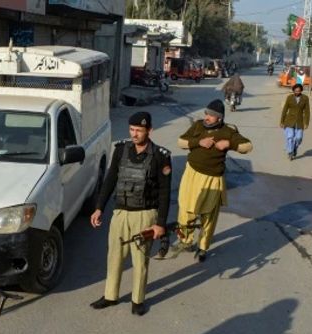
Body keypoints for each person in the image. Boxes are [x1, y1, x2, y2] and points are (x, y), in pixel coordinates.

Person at [89, 112, 172, 316]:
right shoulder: (121, 150)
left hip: (145, 215)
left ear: (149, 131)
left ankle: (138, 300)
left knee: (140, 259)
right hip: (121, 213)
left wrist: (160, 223)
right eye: (132, 130)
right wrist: (99, 207)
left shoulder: (161, 156)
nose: (134, 134)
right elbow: (109, 180)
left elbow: (164, 192)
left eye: (139, 131)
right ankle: (110, 295)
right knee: (114, 256)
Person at [177, 99, 253, 262]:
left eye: (211, 115)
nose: (207, 117)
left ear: (219, 118)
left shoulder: (228, 131)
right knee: (185, 210)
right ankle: (185, 241)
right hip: (191, 174)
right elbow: (180, 142)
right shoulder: (197, 125)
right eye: (206, 113)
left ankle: (203, 247)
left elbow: (248, 146)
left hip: (212, 178)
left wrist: (230, 144)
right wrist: (198, 142)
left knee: (208, 215)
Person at [280, 83, 310, 160]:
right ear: (293, 91)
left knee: (298, 138)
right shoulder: (289, 97)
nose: (297, 92)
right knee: (290, 137)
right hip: (289, 121)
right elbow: (285, 109)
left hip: (300, 122)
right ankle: (290, 152)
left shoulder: (305, 98)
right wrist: (282, 121)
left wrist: (306, 122)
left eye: (299, 91)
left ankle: (294, 148)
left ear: (301, 91)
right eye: (295, 91)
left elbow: (307, 111)